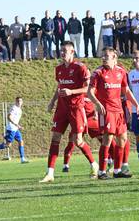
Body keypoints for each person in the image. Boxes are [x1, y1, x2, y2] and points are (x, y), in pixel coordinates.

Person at [40, 41, 98, 183]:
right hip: (61, 108)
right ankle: (50, 173)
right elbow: (59, 86)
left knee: (78, 141)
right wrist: (52, 101)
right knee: (55, 138)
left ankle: (94, 164)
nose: (62, 53)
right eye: (61, 50)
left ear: (73, 52)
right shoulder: (59, 68)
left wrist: (72, 91)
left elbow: (87, 89)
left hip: (76, 108)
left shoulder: (80, 67)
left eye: (65, 50)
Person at [88, 47, 139, 180]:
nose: (103, 58)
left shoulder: (121, 72)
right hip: (106, 111)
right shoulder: (98, 72)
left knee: (123, 138)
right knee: (108, 139)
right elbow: (89, 92)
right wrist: (98, 104)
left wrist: (136, 105)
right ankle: (101, 171)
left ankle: (117, 170)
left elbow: (126, 90)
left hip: (119, 111)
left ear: (114, 57)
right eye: (103, 55)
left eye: (107, 56)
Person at [0, 97, 29, 163]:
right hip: (11, 129)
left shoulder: (19, 109)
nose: (19, 102)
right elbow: (8, 117)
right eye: (18, 101)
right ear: (15, 101)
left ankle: (22, 159)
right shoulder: (14, 108)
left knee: (21, 141)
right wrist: (16, 124)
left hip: (15, 129)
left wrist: (17, 126)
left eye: (20, 101)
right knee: (7, 145)